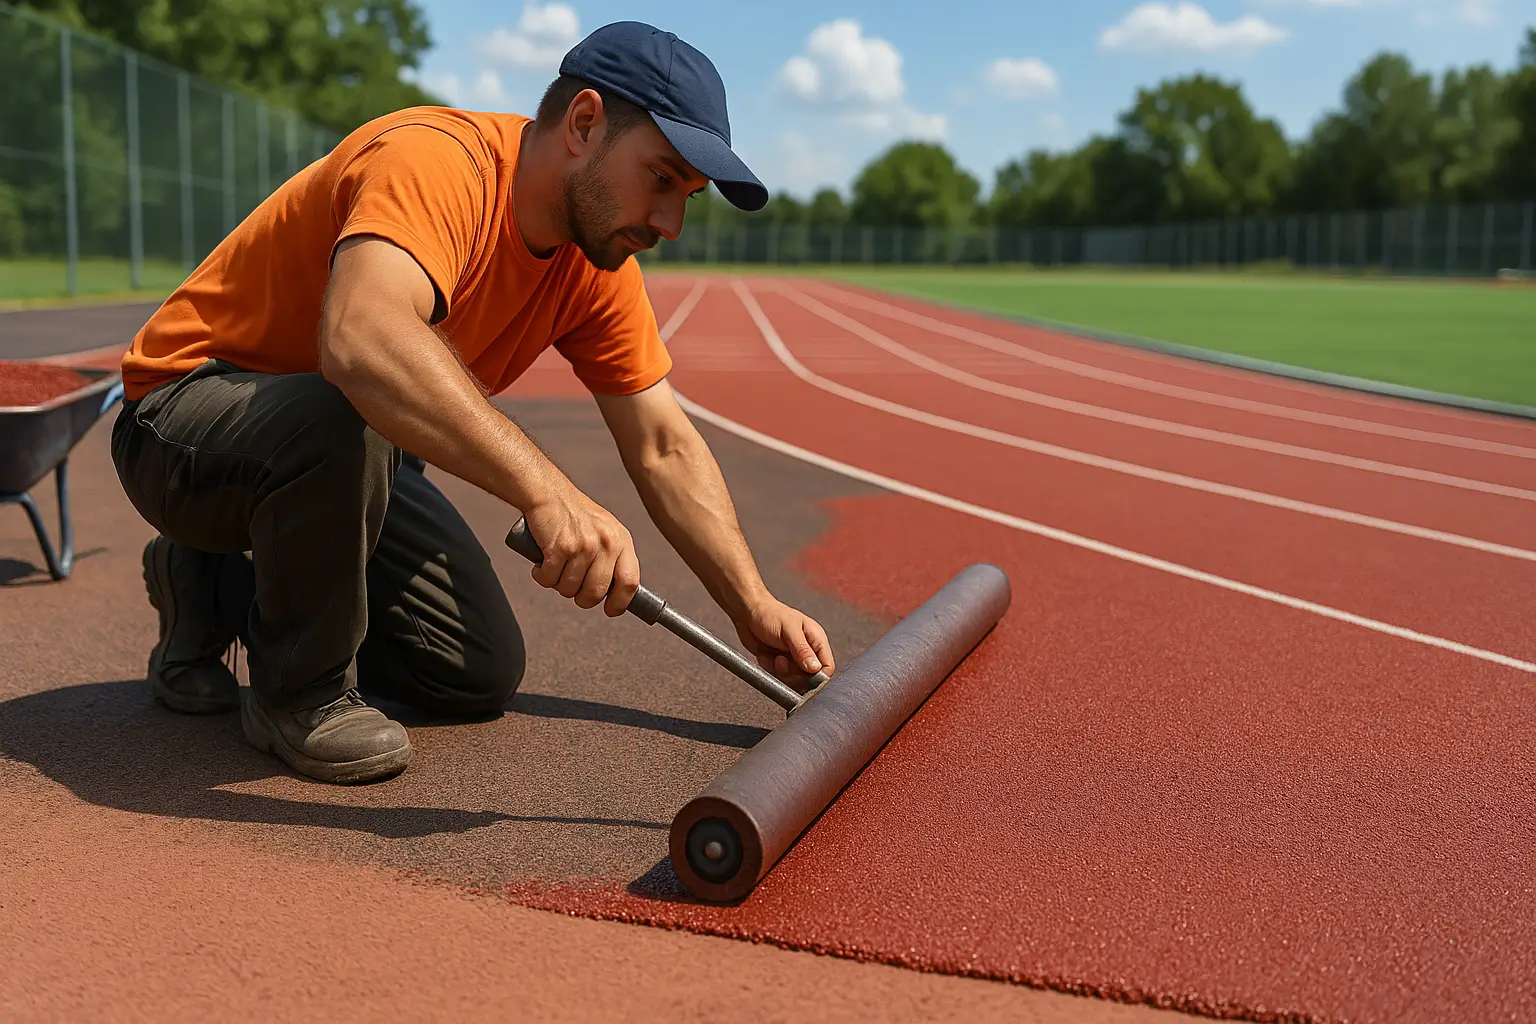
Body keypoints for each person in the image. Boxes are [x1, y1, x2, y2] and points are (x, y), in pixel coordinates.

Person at [110, 21, 836, 786]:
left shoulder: (597, 261)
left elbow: (662, 444)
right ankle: (298, 695)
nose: (670, 224)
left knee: (472, 670)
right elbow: (361, 339)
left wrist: (752, 607)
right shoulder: (437, 162)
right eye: (660, 179)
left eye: (686, 197)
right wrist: (549, 491)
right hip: (183, 418)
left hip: (348, 456)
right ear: (584, 124)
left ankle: (213, 584)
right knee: (342, 408)